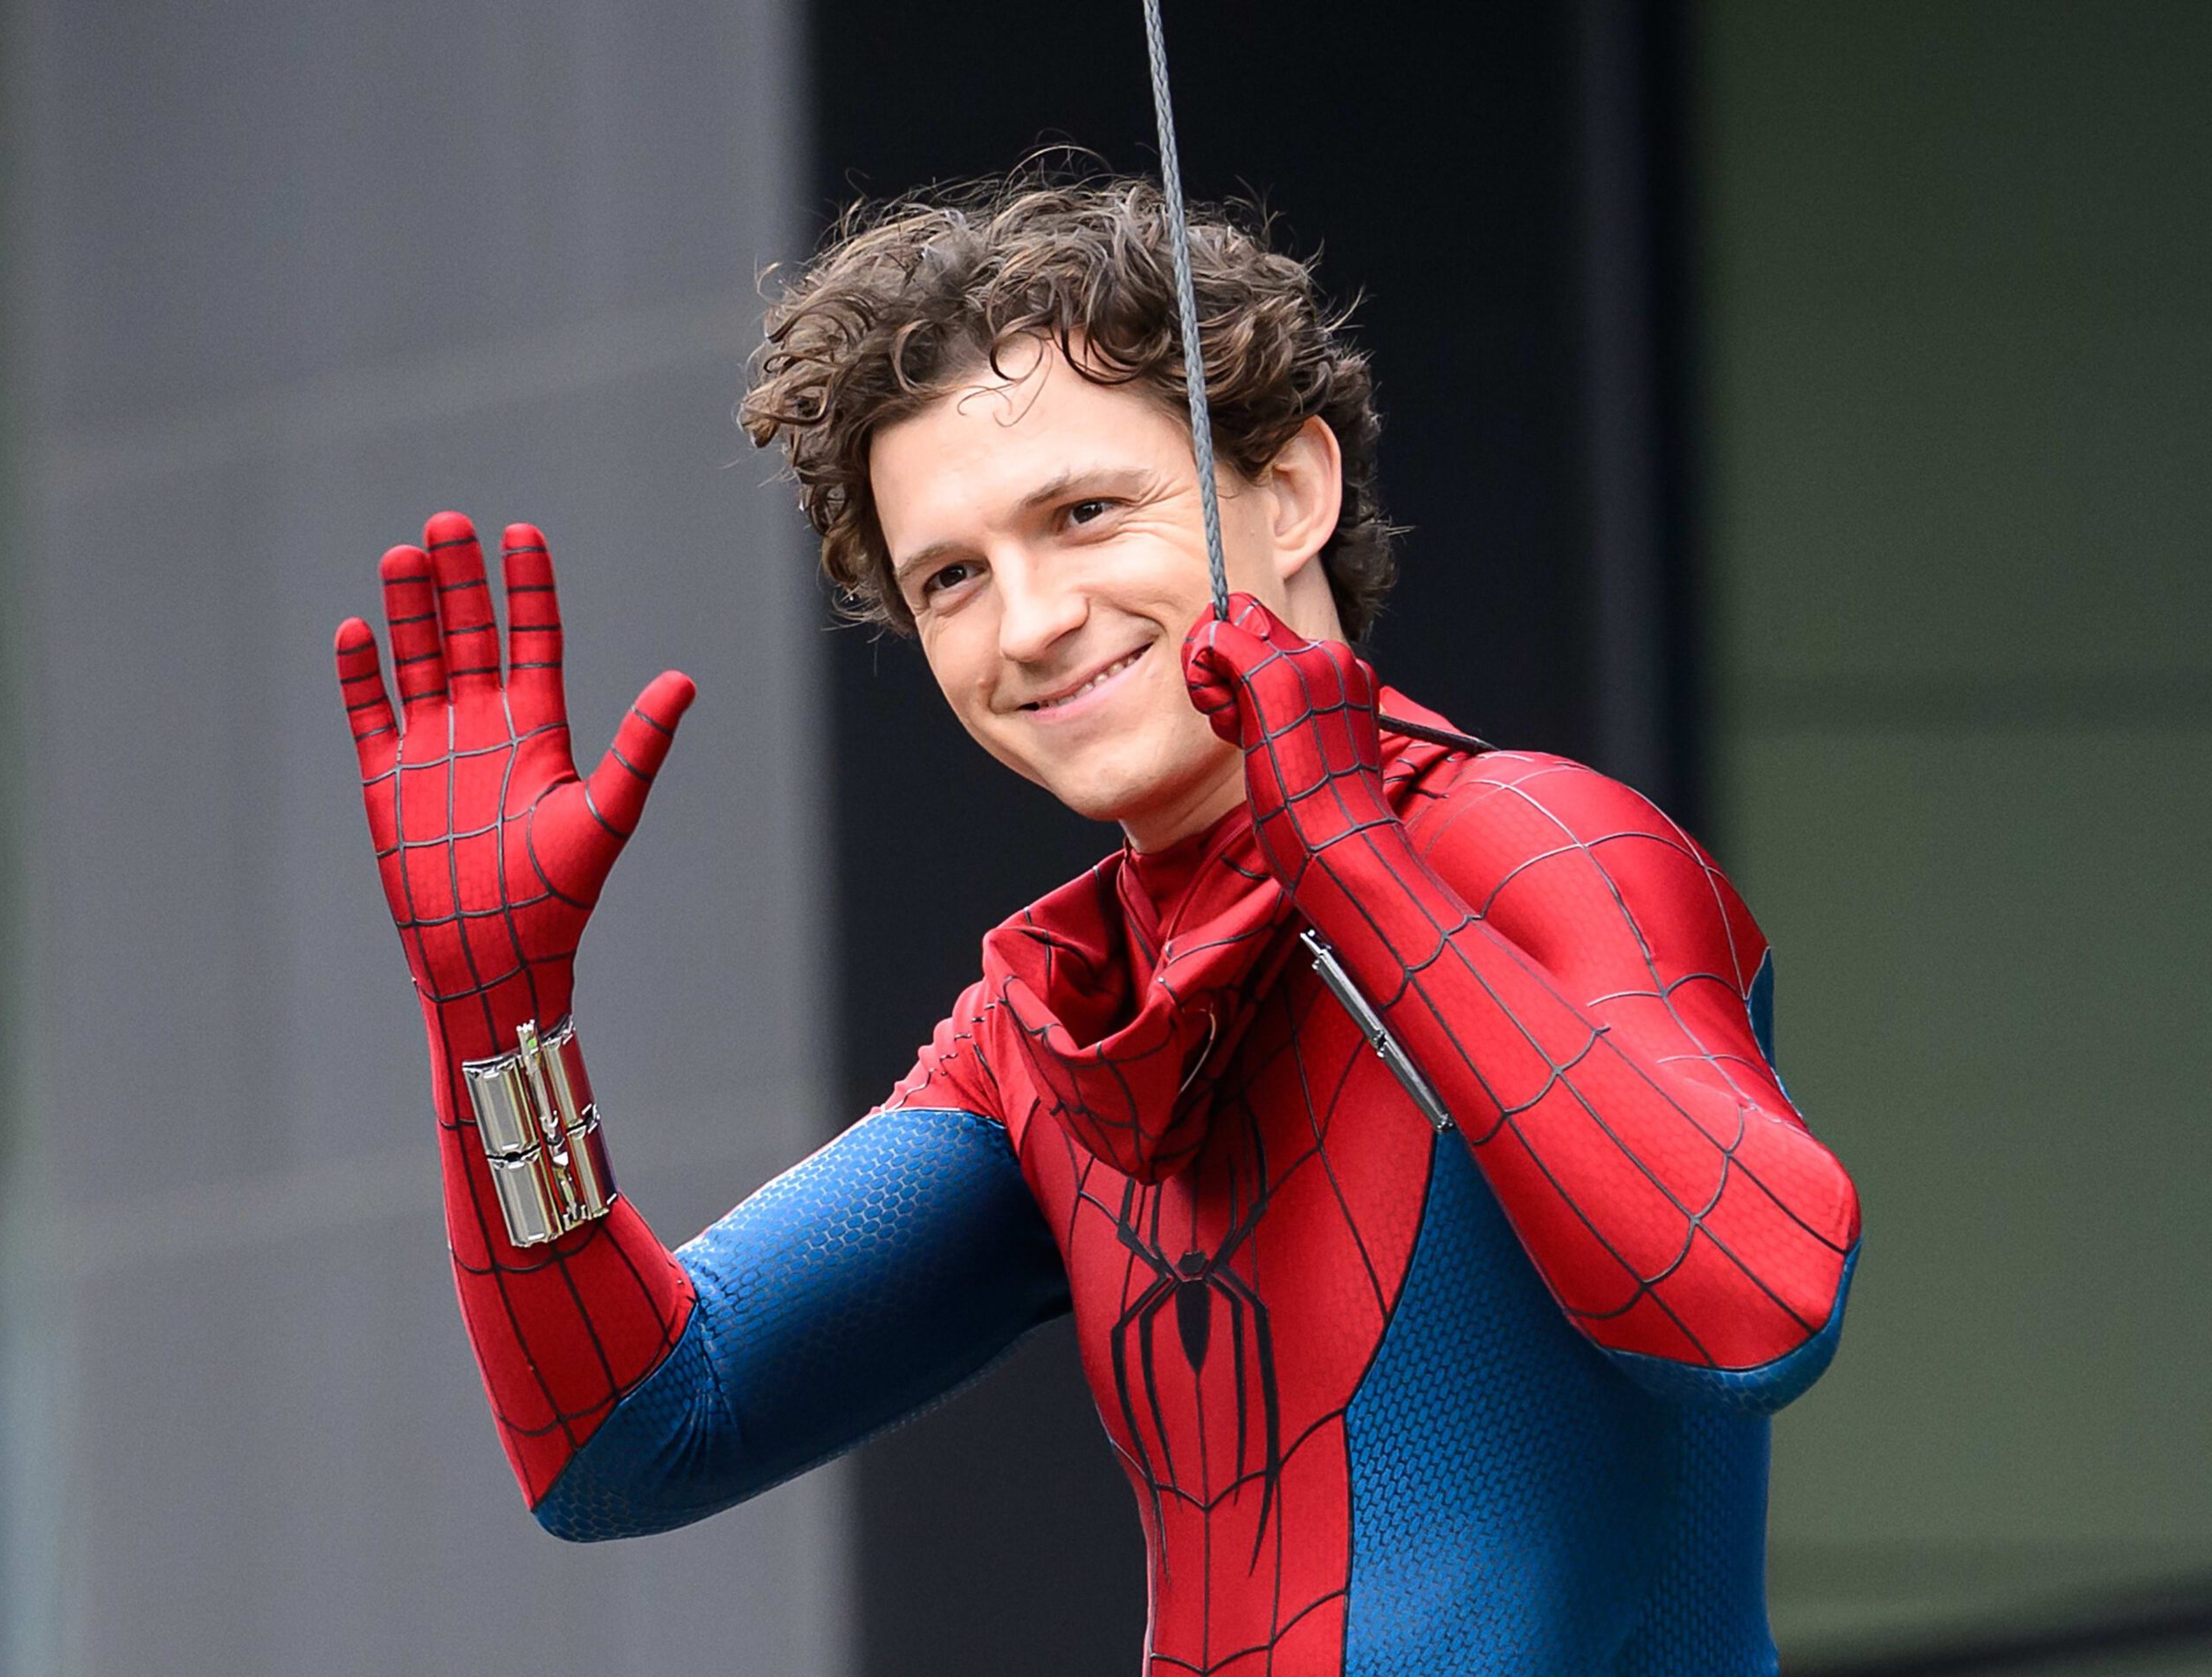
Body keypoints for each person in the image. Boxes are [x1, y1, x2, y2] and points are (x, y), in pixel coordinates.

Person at [333, 176, 1858, 1674]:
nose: (1031, 622)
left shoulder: (1539, 842)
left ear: (1292, 491)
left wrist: (1352, 855)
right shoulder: (1057, 1020)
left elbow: (1756, 1308)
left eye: (1084, 514)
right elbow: (626, 1438)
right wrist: (497, 1025)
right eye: (952, 579)